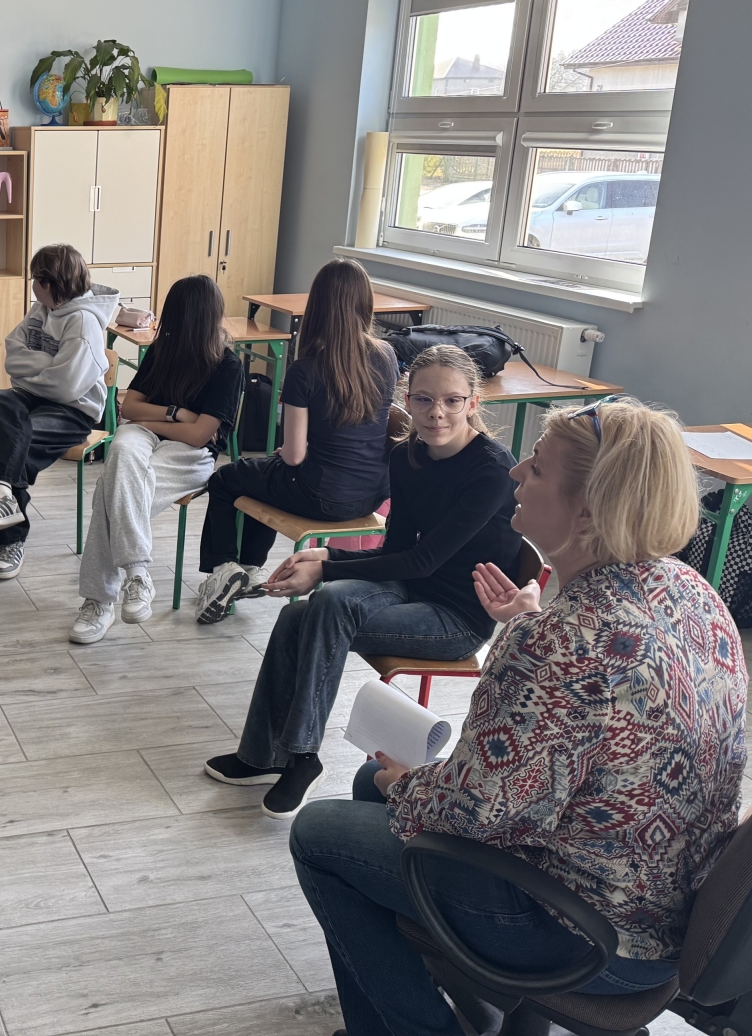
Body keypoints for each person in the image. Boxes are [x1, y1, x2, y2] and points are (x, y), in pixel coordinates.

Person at [290, 396, 745, 1036]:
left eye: (536, 465)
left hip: (588, 937)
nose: (515, 473)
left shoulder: (561, 641)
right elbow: (592, 707)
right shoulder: (692, 591)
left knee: (319, 832)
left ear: (587, 510)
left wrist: (406, 785)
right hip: (668, 910)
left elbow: (474, 812)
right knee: (373, 785)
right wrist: (530, 628)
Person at [204, 344, 520, 819]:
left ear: (473, 403)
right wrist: (327, 554)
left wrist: (327, 569)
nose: (436, 413)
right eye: (424, 399)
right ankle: (261, 756)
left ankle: (302, 756)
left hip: (456, 618)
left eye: (452, 401)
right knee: (297, 616)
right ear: (406, 401)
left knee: (329, 602)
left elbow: (424, 561)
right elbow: (398, 550)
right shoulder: (407, 456)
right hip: (408, 589)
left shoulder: (491, 470)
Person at [195, 258, 398, 624]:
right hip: (372, 494)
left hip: (322, 495)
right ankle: (250, 569)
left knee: (226, 478)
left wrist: (284, 453)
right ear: (365, 304)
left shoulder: (305, 370)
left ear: (317, 306)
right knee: (264, 477)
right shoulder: (386, 356)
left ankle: (225, 568)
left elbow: (292, 456)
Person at [71, 276, 244, 644]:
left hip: (191, 454)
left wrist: (153, 420)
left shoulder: (228, 366)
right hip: (148, 434)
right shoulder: (163, 351)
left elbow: (200, 436)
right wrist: (176, 413)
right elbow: (129, 408)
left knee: (111, 490)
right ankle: (137, 573)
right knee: (121, 451)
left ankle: (99, 601)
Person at [0, 244, 119, 581]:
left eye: (35, 279)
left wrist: (36, 370)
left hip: (72, 412)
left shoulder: (84, 322)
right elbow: (12, 355)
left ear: (49, 283)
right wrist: (50, 366)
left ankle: (9, 538)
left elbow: (67, 387)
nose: (33, 285)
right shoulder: (41, 310)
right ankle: (3, 496)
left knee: (11, 442)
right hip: (33, 397)